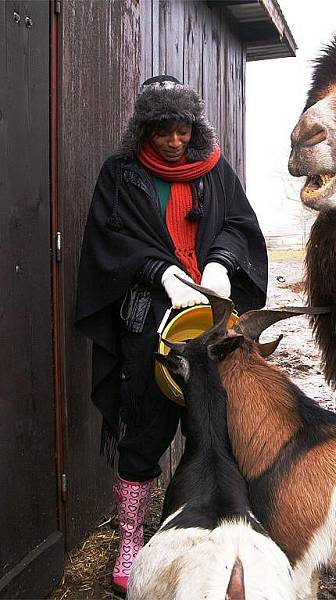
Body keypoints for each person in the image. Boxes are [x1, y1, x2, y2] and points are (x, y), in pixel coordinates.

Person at [75, 75, 268, 592]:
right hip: (148, 323)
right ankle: (132, 535)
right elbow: (108, 240)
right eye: (164, 130)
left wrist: (223, 263)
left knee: (213, 428)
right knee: (144, 428)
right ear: (145, 128)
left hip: (209, 318)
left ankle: (213, 524)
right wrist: (158, 271)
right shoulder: (121, 175)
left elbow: (238, 224)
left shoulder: (214, 170)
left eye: (183, 129)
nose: (175, 141)